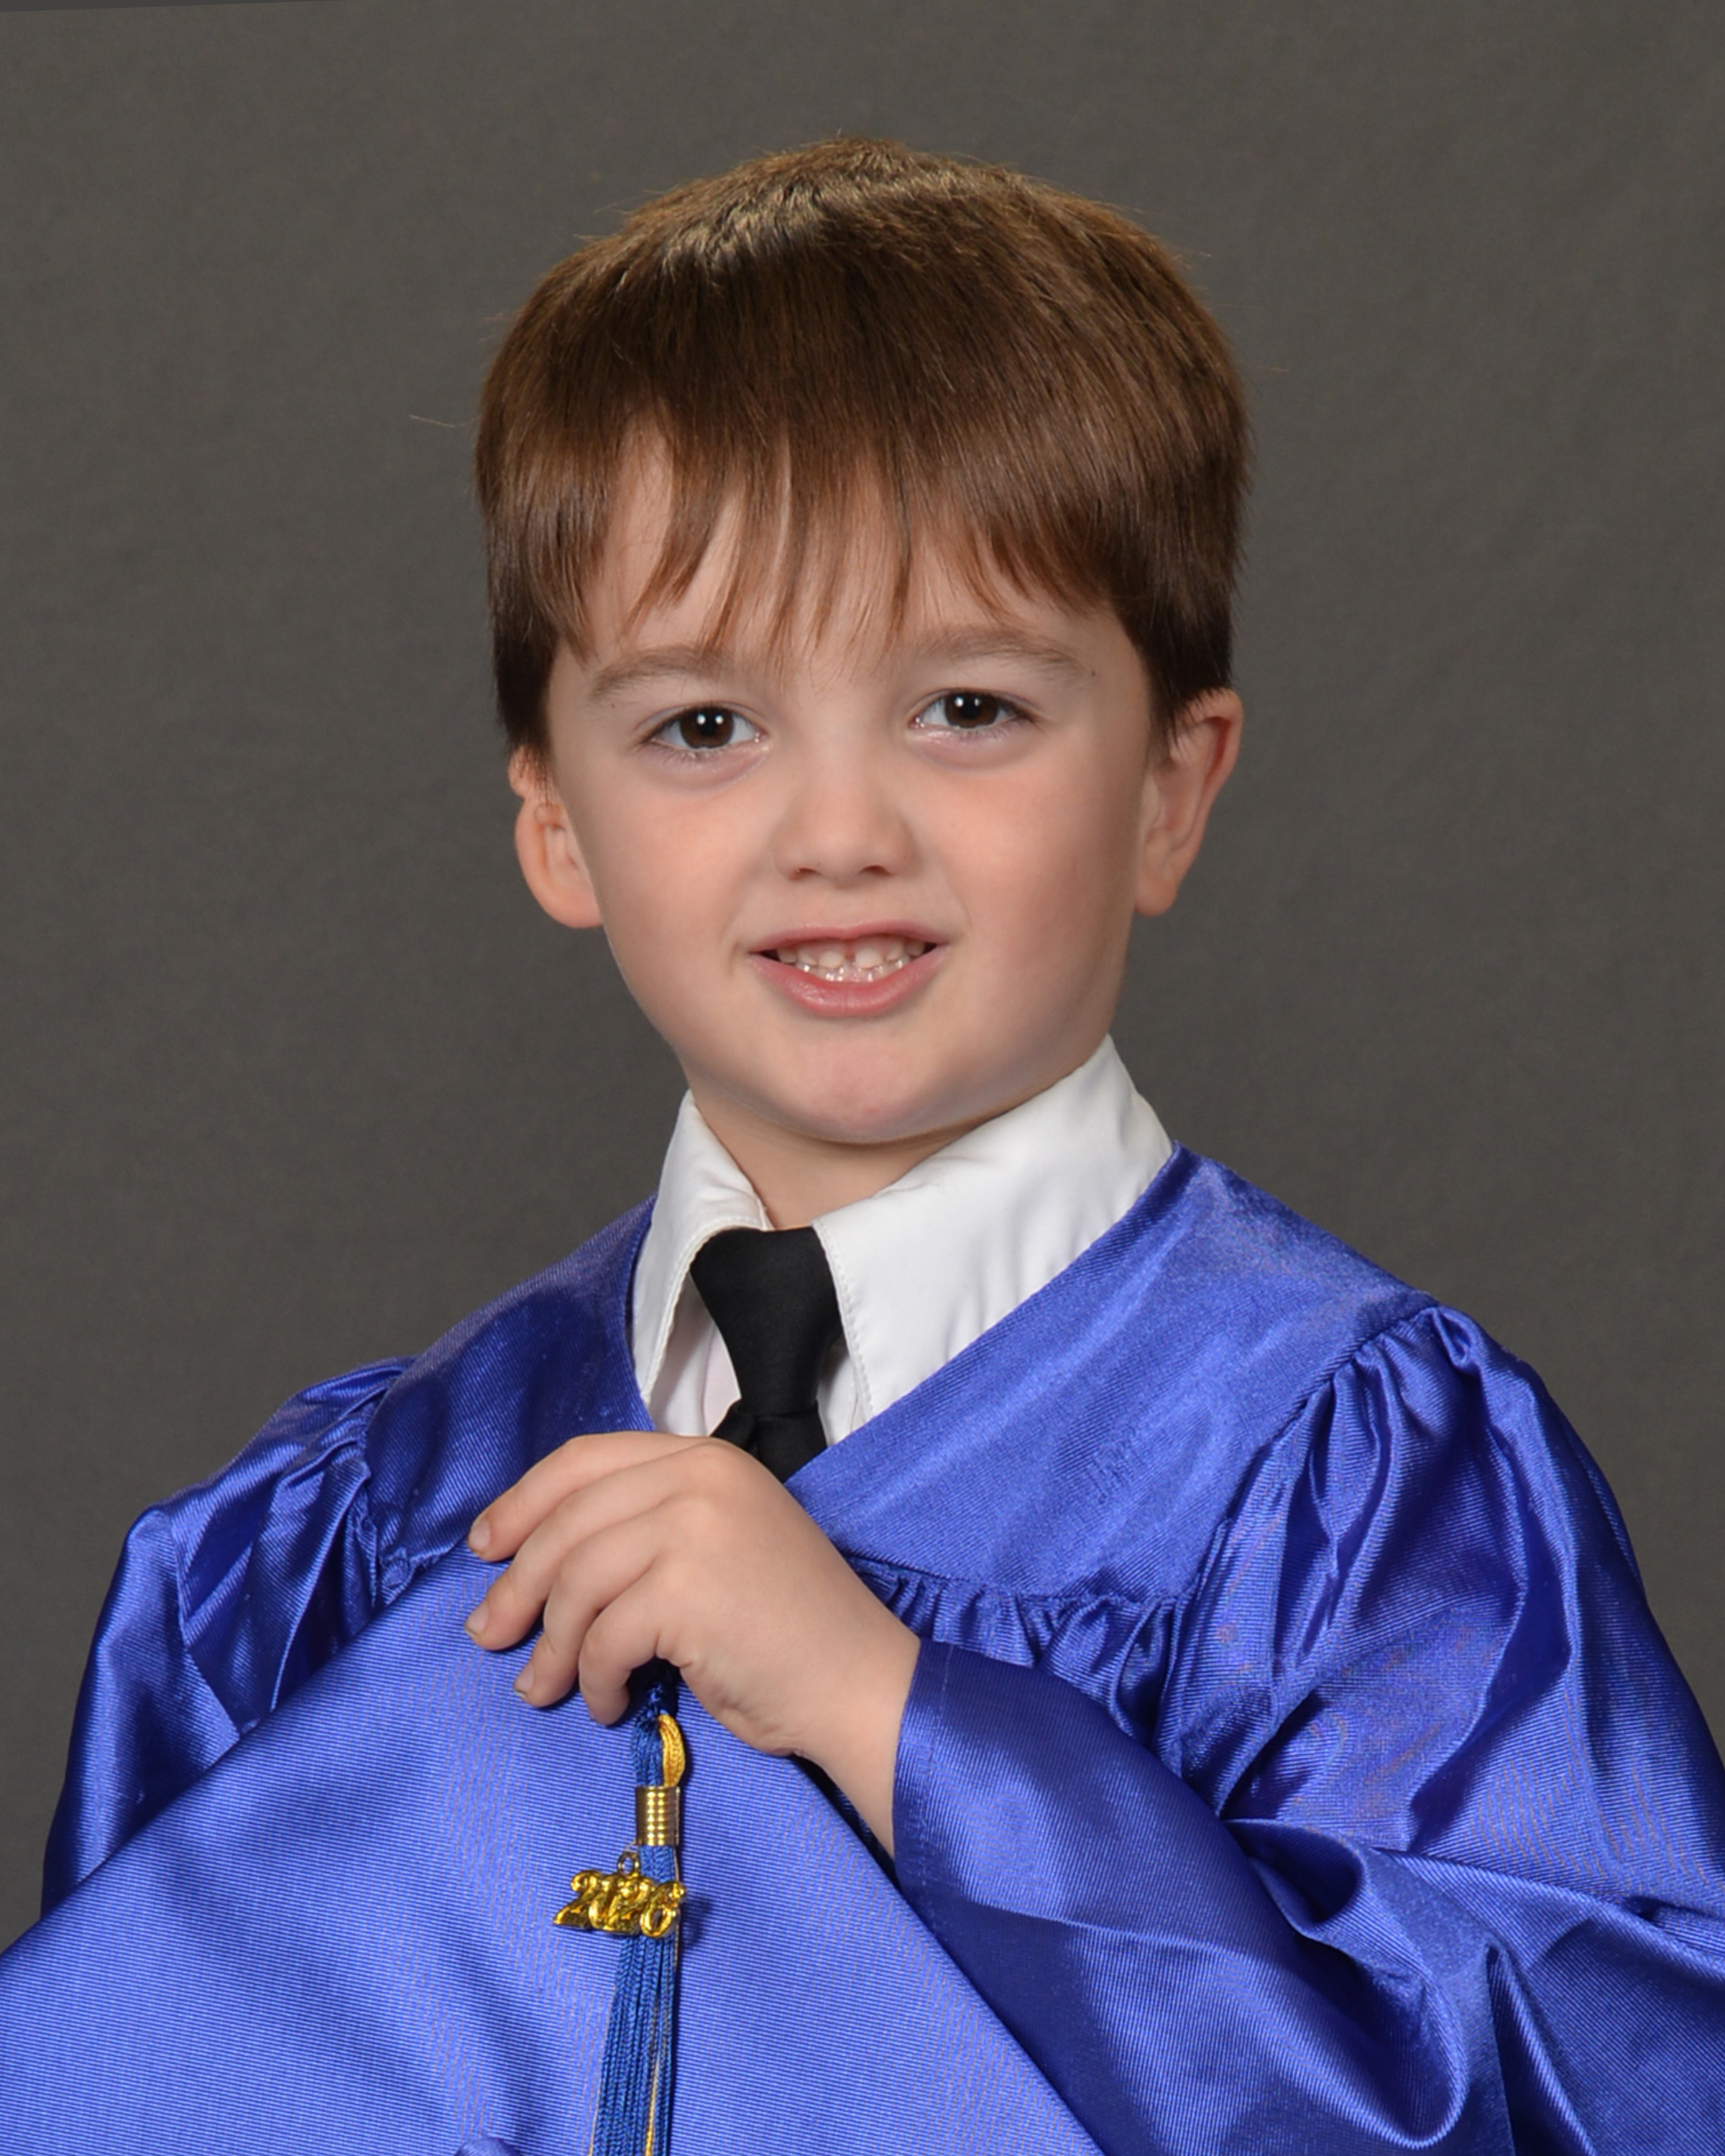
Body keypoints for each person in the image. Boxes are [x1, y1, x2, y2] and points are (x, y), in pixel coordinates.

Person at [5, 137, 1724, 2153]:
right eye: (704, 728)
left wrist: (897, 1717)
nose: (839, 833)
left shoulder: (1352, 1491)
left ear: (1171, 790)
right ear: (555, 823)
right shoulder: (349, 1534)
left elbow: (1572, 2102)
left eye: (968, 708)